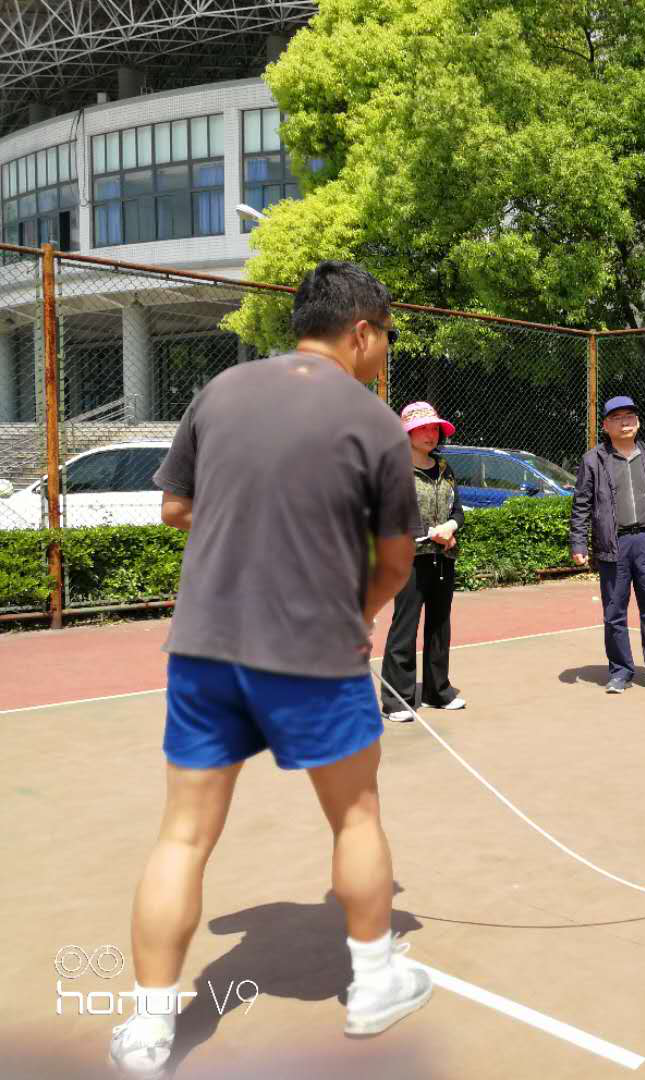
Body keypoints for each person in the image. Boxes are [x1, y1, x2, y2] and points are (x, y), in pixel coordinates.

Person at [110, 262, 430, 1077]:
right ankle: (374, 984)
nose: (385, 352)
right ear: (361, 331)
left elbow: (175, 507)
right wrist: (355, 610)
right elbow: (397, 564)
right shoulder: (374, 423)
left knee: (182, 835)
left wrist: (250, 530)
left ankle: (148, 1028)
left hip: (204, 646)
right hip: (314, 652)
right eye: (387, 337)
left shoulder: (220, 391)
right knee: (355, 817)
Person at [569, 395, 645, 694]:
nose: (625, 423)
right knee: (614, 613)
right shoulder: (592, 460)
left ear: (638, 422)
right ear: (605, 426)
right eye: (617, 418)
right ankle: (620, 672)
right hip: (613, 545)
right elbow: (581, 505)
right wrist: (578, 543)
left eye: (630, 416)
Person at [379, 401, 467, 722]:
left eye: (434, 428)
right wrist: (432, 533)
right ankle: (397, 701)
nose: (431, 434)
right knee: (405, 628)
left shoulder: (444, 467)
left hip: (443, 558)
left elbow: (457, 509)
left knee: (440, 626)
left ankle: (436, 692)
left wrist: (451, 527)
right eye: (422, 429)